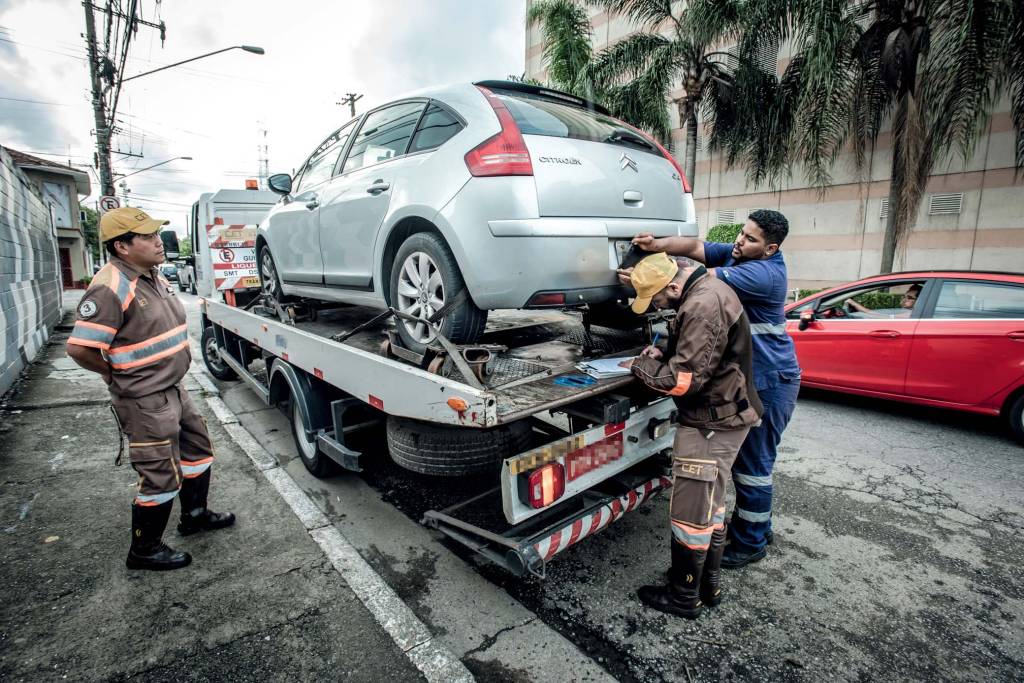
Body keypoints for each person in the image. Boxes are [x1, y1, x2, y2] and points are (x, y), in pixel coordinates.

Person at [619, 209, 800, 568]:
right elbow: (694, 247)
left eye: (750, 239)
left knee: (753, 466)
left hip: (770, 378)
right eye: (742, 233)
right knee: (747, 463)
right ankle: (757, 528)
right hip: (752, 374)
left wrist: (645, 278)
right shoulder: (740, 254)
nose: (740, 241)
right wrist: (656, 245)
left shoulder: (763, 274)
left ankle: (750, 542)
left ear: (770, 249)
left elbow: (694, 275)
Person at [66, 208, 235, 571]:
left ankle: (195, 515)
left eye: (157, 234)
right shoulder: (110, 287)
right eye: (147, 237)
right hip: (143, 397)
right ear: (122, 246)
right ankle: (144, 549)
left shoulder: (152, 275)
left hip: (172, 387)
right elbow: (80, 349)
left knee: (197, 451)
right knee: (159, 472)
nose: (159, 242)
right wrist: (115, 375)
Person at [626, 253, 762, 618]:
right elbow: (707, 351)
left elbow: (683, 380)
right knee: (710, 507)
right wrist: (665, 350)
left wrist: (641, 364)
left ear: (673, 286)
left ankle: (683, 596)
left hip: (710, 425)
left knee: (690, 515)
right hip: (726, 416)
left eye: (657, 299)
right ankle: (708, 585)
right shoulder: (708, 290)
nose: (656, 306)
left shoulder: (700, 306)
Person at [844, 284, 921, 318]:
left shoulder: (910, 314)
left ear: (919, 301)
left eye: (909, 298)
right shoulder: (905, 311)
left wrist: (853, 303)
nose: (904, 299)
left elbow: (878, 316)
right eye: (904, 296)